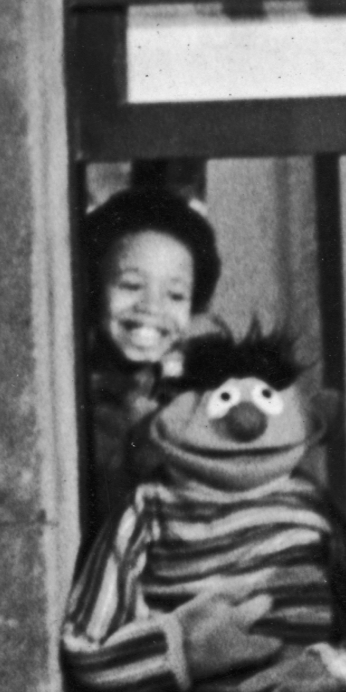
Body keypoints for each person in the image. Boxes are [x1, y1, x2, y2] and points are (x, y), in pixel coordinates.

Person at [77, 180, 221, 516]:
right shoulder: (74, 397)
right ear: (95, 288)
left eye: (175, 295)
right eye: (131, 285)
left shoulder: (196, 396)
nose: (152, 307)